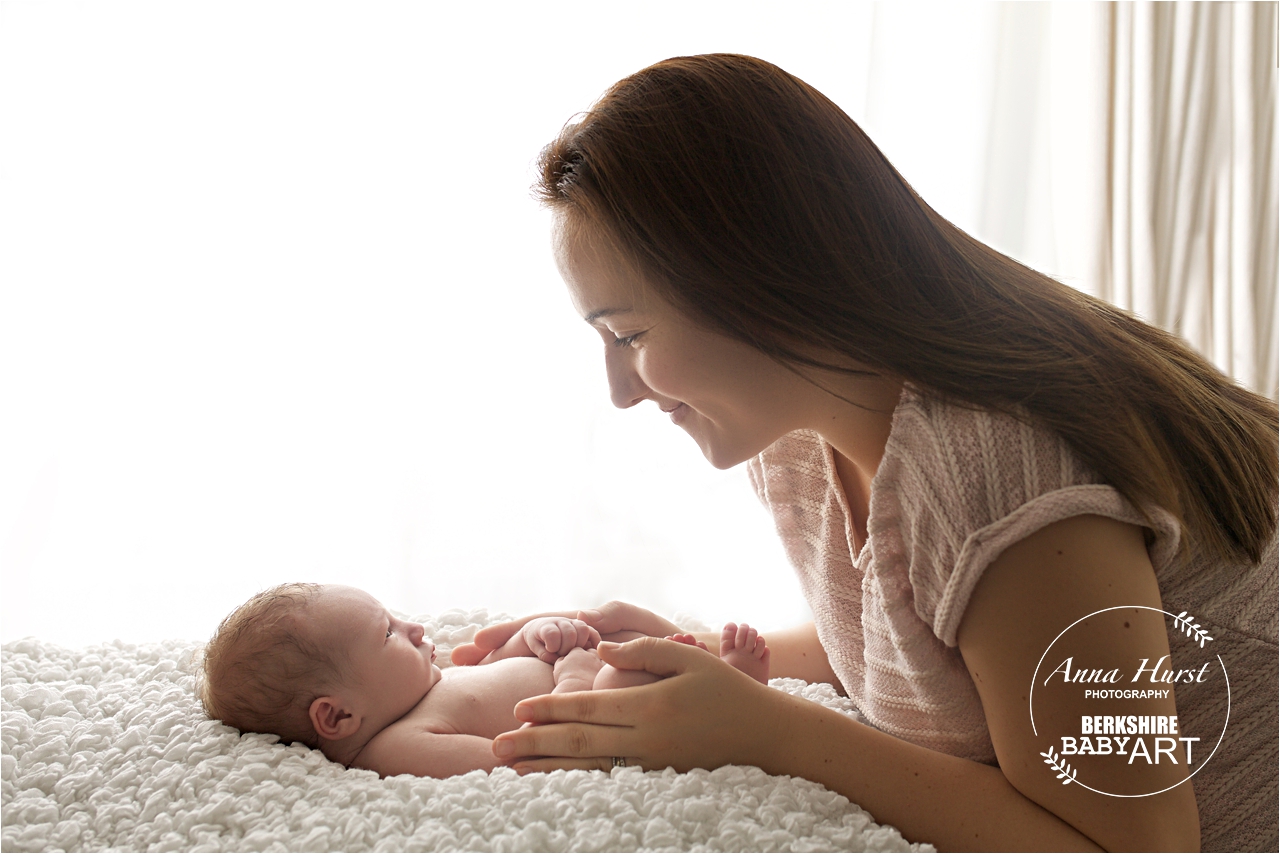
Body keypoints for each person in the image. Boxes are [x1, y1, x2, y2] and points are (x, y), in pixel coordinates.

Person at [449, 54, 1279, 851]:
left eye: (628, 335)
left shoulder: (994, 471)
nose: (620, 391)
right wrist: (691, 665)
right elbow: (929, 649)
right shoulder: (801, 438)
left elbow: (1134, 845)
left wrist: (778, 732)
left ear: (751, 279)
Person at [197, 583, 770, 779]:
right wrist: (573, 682)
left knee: (627, 656)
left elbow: (499, 673)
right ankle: (734, 692)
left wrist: (539, 639)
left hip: (580, 679)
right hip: (591, 721)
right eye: (389, 633)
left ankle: (719, 685)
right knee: (625, 676)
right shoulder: (398, 747)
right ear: (338, 716)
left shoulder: (425, 687)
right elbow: (521, 759)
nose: (414, 626)